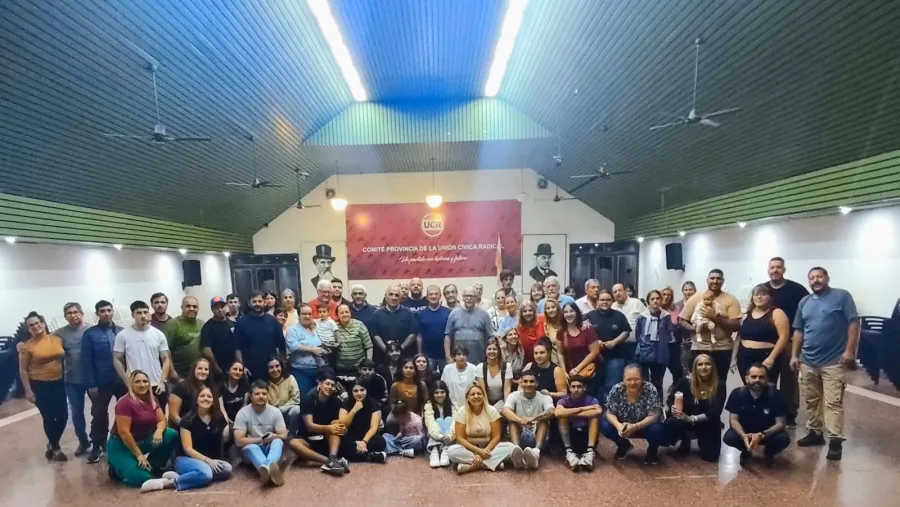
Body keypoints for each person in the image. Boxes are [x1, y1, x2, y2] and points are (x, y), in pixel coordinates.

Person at [791, 266, 859, 461]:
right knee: (811, 399)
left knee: (833, 402)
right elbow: (799, 330)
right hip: (808, 360)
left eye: (819, 276)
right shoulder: (804, 302)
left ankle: (835, 441)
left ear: (827, 277)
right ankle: (815, 432)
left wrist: (849, 350)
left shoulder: (842, 296)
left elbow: (854, 323)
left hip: (833, 360)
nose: (815, 280)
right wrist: (794, 355)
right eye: (811, 278)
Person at [140, 386, 233, 493]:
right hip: (186, 459)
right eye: (202, 396)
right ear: (196, 400)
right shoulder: (187, 420)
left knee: (227, 469)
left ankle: (185, 476)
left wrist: (213, 461)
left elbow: (220, 442)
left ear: (213, 400)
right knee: (206, 474)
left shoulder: (219, 418)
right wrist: (208, 461)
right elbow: (188, 449)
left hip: (208, 461)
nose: (206, 398)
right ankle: (166, 483)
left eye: (209, 396)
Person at [107, 370, 179, 488]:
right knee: (142, 478)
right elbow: (124, 433)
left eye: (145, 381)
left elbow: (162, 420)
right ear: (131, 384)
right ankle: (116, 469)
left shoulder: (152, 399)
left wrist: (159, 431)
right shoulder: (124, 403)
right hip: (122, 445)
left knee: (171, 434)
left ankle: (154, 465)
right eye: (138, 382)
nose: (142, 385)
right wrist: (139, 455)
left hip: (142, 440)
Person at [18, 311, 68, 461]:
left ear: (43, 323)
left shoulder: (57, 339)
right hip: (39, 385)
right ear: (28, 329)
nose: (35, 326)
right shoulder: (26, 347)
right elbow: (23, 370)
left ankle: (52, 443)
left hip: (59, 382)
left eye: (37, 323)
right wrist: (28, 391)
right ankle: (56, 448)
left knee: (63, 416)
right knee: (49, 417)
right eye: (31, 325)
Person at [766, 257, 810, 427]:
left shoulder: (797, 290)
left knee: (789, 380)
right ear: (768, 270)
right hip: (768, 342)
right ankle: (768, 412)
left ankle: (789, 414)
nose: (775, 270)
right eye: (772, 267)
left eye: (778, 267)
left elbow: (807, 313)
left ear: (784, 270)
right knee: (767, 378)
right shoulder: (763, 289)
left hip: (790, 342)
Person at [679, 269, 742, 385]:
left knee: (720, 383)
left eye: (718, 278)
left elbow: (736, 326)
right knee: (698, 383)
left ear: (723, 281)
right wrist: (695, 329)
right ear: (707, 280)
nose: (715, 281)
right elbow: (682, 320)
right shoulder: (696, 298)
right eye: (712, 278)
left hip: (723, 349)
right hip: (699, 348)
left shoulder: (731, 299)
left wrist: (714, 317)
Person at [83, 300, 127, 463]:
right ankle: (97, 445)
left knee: (126, 411)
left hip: (122, 379)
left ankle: (122, 441)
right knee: (99, 413)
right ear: (97, 314)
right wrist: (91, 384)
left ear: (112, 311)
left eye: (109, 310)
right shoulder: (90, 334)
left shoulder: (122, 332)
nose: (106, 313)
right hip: (101, 380)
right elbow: (86, 360)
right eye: (102, 311)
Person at [723, 363, 791, 466]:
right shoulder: (737, 393)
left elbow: (781, 424)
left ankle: (769, 452)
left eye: (761, 377)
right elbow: (733, 420)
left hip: (767, 434)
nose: (757, 380)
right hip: (746, 433)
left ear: (767, 379)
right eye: (753, 377)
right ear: (746, 378)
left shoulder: (776, 395)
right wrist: (744, 436)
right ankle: (746, 450)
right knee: (729, 437)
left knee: (783, 438)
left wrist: (762, 434)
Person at [600, 364, 666, 464]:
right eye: (629, 379)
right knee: (604, 425)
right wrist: (619, 426)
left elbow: (654, 415)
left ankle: (653, 449)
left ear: (642, 379)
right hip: (623, 425)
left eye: (636, 379)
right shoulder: (616, 389)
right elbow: (610, 413)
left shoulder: (650, 389)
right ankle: (623, 445)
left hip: (644, 425)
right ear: (623, 379)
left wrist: (635, 426)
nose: (632, 383)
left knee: (656, 429)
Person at [114, 301, 173, 410]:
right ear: (132, 315)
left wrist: (162, 382)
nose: (143, 316)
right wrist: (127, 382)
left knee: (159, 415)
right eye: (139, 313)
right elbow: (117, 359)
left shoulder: (158, 334)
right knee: (137, 416)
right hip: (135, 385)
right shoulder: (122, 335)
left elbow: (166, 359)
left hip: (156, 384)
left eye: (145, 312)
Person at [664, 354, 723, 462]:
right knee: (674, 423)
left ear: (713, 367)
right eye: (700, 364)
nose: (704, 367)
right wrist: (673, 408)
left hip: (707, 423)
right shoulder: (684, 382)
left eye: (707, 364)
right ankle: (685, 437)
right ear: (695, 367)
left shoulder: (720, 385)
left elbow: (715, 412)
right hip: (684, 419)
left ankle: (702, 440)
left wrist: (691, 418)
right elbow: (671, 399)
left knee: (711, 456)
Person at [446, 384, 517, 474]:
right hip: (468, 450)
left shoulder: (492, 410)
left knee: (510, 447)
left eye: (479, 394)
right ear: (467, 398)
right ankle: (491, 464)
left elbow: (496, 437)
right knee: (451, 451)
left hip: (488, 449)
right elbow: (460, 438)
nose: (476, 396)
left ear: (484, 396)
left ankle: (472, 466)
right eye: (472, 394)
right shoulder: (461, 412)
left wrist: (483, 454)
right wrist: (479, 451)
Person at [290, 372, 350, 476]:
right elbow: (310, 426)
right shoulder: (308, 399)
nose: (330, 387)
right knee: (293, 443)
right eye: (327, 384)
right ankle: (328, 461)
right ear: (320, 384)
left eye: (333, 385)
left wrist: (342, 429)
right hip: (308, 440)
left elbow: (339, 424)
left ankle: (332, 457)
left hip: (326, 441)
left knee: (336, 423)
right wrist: (328, 428)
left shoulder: (337, 402)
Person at [732, 284, 790, 385]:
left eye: (763, 294)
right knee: (749, 387)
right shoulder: (746, 315)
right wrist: (733, 359)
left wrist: (771, 358)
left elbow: (784, 337)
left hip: (766, 356)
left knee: (768, 388)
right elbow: (738, 338)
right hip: (745, 357)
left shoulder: (776, 313)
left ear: (770, 297)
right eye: (756, 295)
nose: (759, 297)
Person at [233, 379, 288, 486]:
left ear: (268, 395)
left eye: (264, 393)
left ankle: (266, 470)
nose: (261, 396)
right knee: (252, 447)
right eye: (257, 394)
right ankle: (272, 470)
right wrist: (260, 440)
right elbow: (238, 441)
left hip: (269, 448)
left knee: (278, 441)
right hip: (250, 451)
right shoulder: (243, 413)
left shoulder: (275, 412)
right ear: (251, 396)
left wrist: (274, 436)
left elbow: (284, 434)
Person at [584, 290, 631, 403]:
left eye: (608, 300)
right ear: (597, 301)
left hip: (615, 357)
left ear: (612, 301)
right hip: (594, 358)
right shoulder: (588, 316)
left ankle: (610, 408)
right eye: (602, 300)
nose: (605, 302)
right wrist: (595, 342)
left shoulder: (619, 316)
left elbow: (626, 331)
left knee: (612, 386)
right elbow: (581, 332)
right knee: (594, 385)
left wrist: (614, 342)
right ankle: (596, 407)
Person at [58, 302, 91, 456]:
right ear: (65, 316)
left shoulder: (92, 330)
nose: (73, 315)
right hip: (72, 380)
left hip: (92, 379)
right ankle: (83, 441)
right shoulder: (59, 334)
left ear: (82, 313)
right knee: (76, 412)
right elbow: (43, 341)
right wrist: (20, 345)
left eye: (76, 312)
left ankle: (99, 441)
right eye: (69, 313)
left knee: (99, 412)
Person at [502, 369, 553, 470]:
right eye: (525, 381)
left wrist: (532, 418)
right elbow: (505, 411)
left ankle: (536, 452)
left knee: (544, 421)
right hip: (520, 433)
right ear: (520, 383)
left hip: (539, 436)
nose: (528, 384)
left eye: (531, 381)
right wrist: (520, 420)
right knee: (513, 422)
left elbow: (551, 411)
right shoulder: (514, 395)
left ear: (537, 383)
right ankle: (516, 452)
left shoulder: (544, 397)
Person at [235, 291, 286, 382]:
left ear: (264, 302)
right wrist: (241, 366)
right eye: (254, 301)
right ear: (249, 303)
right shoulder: (241, 322)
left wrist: (280, 365)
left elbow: (281, 345)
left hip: (271, 370)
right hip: (249, 371)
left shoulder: (273, 321)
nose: (257, 304)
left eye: (260, 301)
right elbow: (237, 348)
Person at [634, 290, 676, 402]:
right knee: (643, 381)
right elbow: (638, 334)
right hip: (644, 352)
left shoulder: (666, 316)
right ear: (648, 301)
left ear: (661, 300)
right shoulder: (642, 317)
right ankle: (643, 405)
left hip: (660, 352)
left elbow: (669, 334)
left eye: (657, 298)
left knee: (657, 382)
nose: (655, 301)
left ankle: (657, 406)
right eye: (652, 299)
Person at [555, 376, 602, 472]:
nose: (576, 389)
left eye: (579, 387)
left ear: (584, 388)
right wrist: (583, 409)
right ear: (569, 388)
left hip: (586, 436)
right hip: (571, 436)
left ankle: (589, 453)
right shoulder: (564, 400)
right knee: (562, 418)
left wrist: (569, 412)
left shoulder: (591, 400)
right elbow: (558, 413)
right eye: (573, 387)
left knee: (594, 418)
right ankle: (569, 453)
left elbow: (598, 411)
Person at [337, 380, 387, 463]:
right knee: (342, 444)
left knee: (380, 442)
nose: (359, 393)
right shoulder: (346, 403)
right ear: (351, 392)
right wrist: (354, 410)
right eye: (355, 391)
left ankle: (359, 454)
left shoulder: (374, 404)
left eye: (362, 390)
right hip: (350, 436)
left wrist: (364, 442)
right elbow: (343, 425)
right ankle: (370, 456)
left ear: (367, 390)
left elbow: (374, 428)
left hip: (367, 436)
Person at [444, 287, 494, 365]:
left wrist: (490, 357)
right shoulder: (454, 314)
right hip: (458, 360)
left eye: (472, 296)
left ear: (476, 297)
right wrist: (448, 357)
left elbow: (490, 337)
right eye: (466, 296)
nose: (469, 298)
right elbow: (448, 336)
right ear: (462, 297)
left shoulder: (484, 314)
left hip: (479, 360)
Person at [371, 284, 418, 362]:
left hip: (404, 356)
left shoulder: (408, 312)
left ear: (400, 298)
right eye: (391, 294)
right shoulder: (377, 314)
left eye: (397, 295)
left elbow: (413, 334)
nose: (394, 297)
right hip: (382, 357)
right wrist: (388, 351)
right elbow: (375, 335)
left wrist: (399, 350)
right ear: (386, 296)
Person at [559, 303, 601, 381]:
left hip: (589, 371)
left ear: (577, 313)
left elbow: (595, 352)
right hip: (571, 372)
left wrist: (578, 369)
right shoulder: (561, 331)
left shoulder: (587, 329)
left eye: (571, 311)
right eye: (566, 312)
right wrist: (564, 372)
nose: (569, 314)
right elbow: (560, 353)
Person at [165, 296, 204, 380]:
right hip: (179, 373)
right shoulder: (173, 324)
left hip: (198, 372)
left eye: (195, 306)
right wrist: (172, 371)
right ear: (182, 307)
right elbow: (167, 351)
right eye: (188, 306)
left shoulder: (202, 324)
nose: (191, 309)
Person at [168, 358, 215, 427]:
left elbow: (220, 410)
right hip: (184, 426)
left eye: (206, 369)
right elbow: (173, 415)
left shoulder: (213, 388)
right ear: (194, 370)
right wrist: (186, 428)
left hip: (207, 427)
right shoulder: (181, 387)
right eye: (200, 368)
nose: (203, 371)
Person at [200, 296, 236, 382]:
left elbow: (238, 345)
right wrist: (216, 367)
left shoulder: (232, 323)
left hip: (233, 368)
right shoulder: (207, 326)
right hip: (217, 369)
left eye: (222, 307)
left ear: (226, 307)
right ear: (212, 309)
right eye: (216, 308)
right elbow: (206, 349)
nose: (220, 310)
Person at [418, 285, 452, 372]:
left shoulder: (448, 312)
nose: (433, 296)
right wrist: (420, 353)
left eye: (436, 294)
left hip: (444, 356)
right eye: (431, 294)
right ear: (427, 297)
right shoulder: (421, 314)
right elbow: (419, 336)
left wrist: (449, 355)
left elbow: (451, 334)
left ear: (440, 296)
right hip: (427, 356)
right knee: (428, 377)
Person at [424, 380, 456, 468]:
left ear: (446, 393)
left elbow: (455, 423)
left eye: (442, 392)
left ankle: (445, 450)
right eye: (436, 392)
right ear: (432, 393)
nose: (439, 395)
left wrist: (449, 436)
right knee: (438, 421)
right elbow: (430, 423)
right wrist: (440, 436)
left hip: (449, 437)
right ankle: (434, 451)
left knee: (448, 420)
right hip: (434, 435)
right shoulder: (429, 406)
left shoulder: (452, 405)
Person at [335, 304, 373, 376]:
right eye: (341, 313)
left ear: (350, 313)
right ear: (337, 315)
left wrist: (368, 364)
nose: (345, 314)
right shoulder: (335, 327)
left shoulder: (359, 325)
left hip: (359, 367)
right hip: (341, 367)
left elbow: (369, 346)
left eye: (347, 312)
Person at [265, 358, 302, 435]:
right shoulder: (264, 383)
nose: (275, 370)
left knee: (296, 410)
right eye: (271, 367)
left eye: (277, 366)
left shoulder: (290, 379)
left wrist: (281, 409)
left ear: (281, 366)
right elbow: (265, 404)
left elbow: (295, 400)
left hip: (286, 412)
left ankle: (291, 435)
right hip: (271, 415)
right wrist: (275, 411)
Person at [475, 338, 513, 412]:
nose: (492, 351)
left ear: (499, 351)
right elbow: (483, 391)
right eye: (489, 349)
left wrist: (507, 408)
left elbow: (507, 390)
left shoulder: (507, 367)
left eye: (494, 349)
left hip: (501, 401)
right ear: (485, 351)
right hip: (485, 401)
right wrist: (487, 408)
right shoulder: (480, 367)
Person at [611, 283, 647, 358]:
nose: (618, 293)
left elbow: (647, 319)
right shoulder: (612, 307)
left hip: (636, 345)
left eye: (620, 290)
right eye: (615, 292)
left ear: (625, 291)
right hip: (619, 346)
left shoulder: (637, 303)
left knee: (637, 365)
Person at [659, 286, 685, 383]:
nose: (666, 297)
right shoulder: (657, 309)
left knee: (677, 371)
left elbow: (679, 323)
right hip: (660, 345)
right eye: (664, 294)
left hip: (673, 345)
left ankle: (676, 390)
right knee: (659, 374)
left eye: (669, 295)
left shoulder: (676, 309)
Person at [220, 361, 249, 434]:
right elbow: (221, 408)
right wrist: (228, 421)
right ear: (228, 371)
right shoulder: (220, 386)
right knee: (226, 432)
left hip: (241, 417)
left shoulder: (245, 385)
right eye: (235, 369)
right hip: (224, 418)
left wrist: (238, 421)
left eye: (240, 370)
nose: (237, 372)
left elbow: (244, 405)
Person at [676, 281, 698, 375]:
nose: (688, 292)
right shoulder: (677, 305)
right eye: (685, 290)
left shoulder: (700, 304)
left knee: (696, 367)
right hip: (682, 341)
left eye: (690, 290)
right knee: (684, 369)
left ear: (695, 291)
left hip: (697, 341)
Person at [542, 298, 566, 371]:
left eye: (553, 307)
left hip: (569, 359)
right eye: (548, 308)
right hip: (555, 361)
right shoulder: (546, 325)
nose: (551, 310)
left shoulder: (565, 321)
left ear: (557, 308)